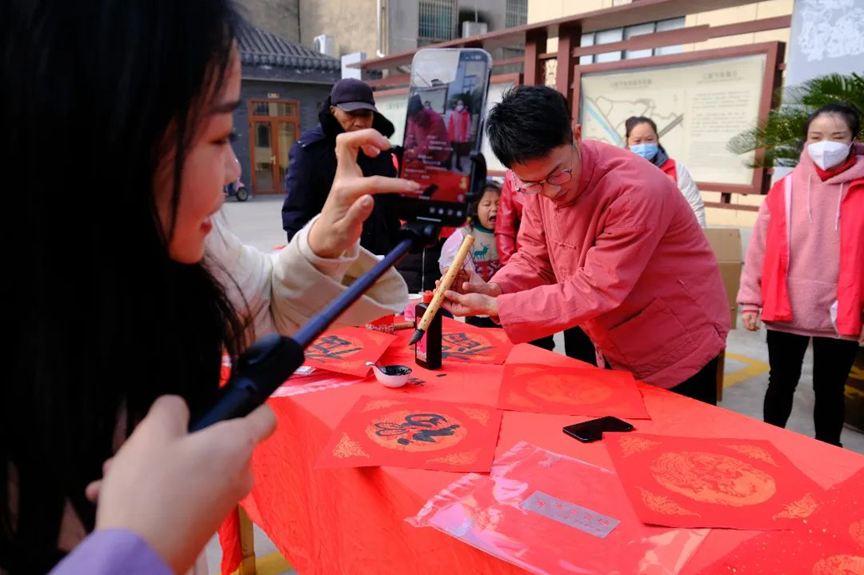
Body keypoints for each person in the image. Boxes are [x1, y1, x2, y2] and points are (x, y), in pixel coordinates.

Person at [1, 1, 412, 572]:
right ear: (108, 139)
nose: (236, 173)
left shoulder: (190, 241)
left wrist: (324, 241)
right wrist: (138, 548)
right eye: (220, 137)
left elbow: (261, 303)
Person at [443, 86, 730, 403]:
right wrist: (495, 289)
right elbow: (535, 260)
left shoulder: (635, 191)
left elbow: (597, 288)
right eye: (532, 184)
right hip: (606, 337)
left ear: (576, 135)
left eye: (558, 174)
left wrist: (499, 307)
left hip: (675, 340)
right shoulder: (537, 185)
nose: (550, 192)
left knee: (674, 430)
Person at [738, 103, 864, 447]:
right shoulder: (785, 188)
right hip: (787, 307)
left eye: (837, 137)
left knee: (830, 390)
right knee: (780, 383)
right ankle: (769, 447)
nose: (826, 145)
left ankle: (829, 455)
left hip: (841, 311)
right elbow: (759, 248)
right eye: (816, 136)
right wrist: (750, 300)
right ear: (805, 141)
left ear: (853, 139)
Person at [281, 78, 402, 255]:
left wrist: (395, 252)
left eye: (366, 114)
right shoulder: (309, 152)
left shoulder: (379, 148)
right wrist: (309, 261)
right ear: (333, 111)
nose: (360, 122)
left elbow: (390, 210)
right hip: (332, 259)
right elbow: (296, 217)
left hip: (379, 258)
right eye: (351, 114)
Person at [496, 171, 596, 363]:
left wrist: (498, 301)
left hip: (574, 279)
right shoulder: (517, 181)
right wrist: (503, 283)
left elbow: (597, 287)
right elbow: (510, 233)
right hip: (534, 271)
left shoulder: (588, 180)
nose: (544, 189)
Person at [624, 116, 706, 227]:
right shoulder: (618, 172)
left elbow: (694, 205)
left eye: (649, 139)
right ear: (627, 142)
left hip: (670, 233)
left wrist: (699, 233)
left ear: (657, 139)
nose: (643, 145)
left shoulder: (675, 169)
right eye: (637, 141)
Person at [439, 182, 501, 328]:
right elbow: (447, 263)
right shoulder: (465, 235)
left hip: (501, 304)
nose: (494, 208)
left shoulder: (509, 235)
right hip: (475, 306)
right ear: (476, 209)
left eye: (499, 203)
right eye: (487, 204)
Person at [448, 98, 472, 172]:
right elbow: (450, 125)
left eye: (461, 104)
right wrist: (448, 135)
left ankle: (458, 165)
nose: (459, 105)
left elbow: (468, 127)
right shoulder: (453, 114)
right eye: (458, 104)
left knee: (459, 153)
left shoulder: (467, 114)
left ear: (463, 105)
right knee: (450, 152)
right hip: (452, 136)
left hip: (461, 138)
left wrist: (467, 137)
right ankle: (449, 165)